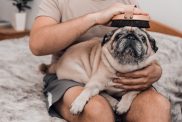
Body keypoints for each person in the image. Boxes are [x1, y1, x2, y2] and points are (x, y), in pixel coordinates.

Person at [30, 0, 171, 122]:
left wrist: (156, 70)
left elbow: (142, 45)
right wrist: (95, 18)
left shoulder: (127, 1)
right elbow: (37, 45)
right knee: (97, 110)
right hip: (71, 74)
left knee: (157, 106)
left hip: (124, 76)